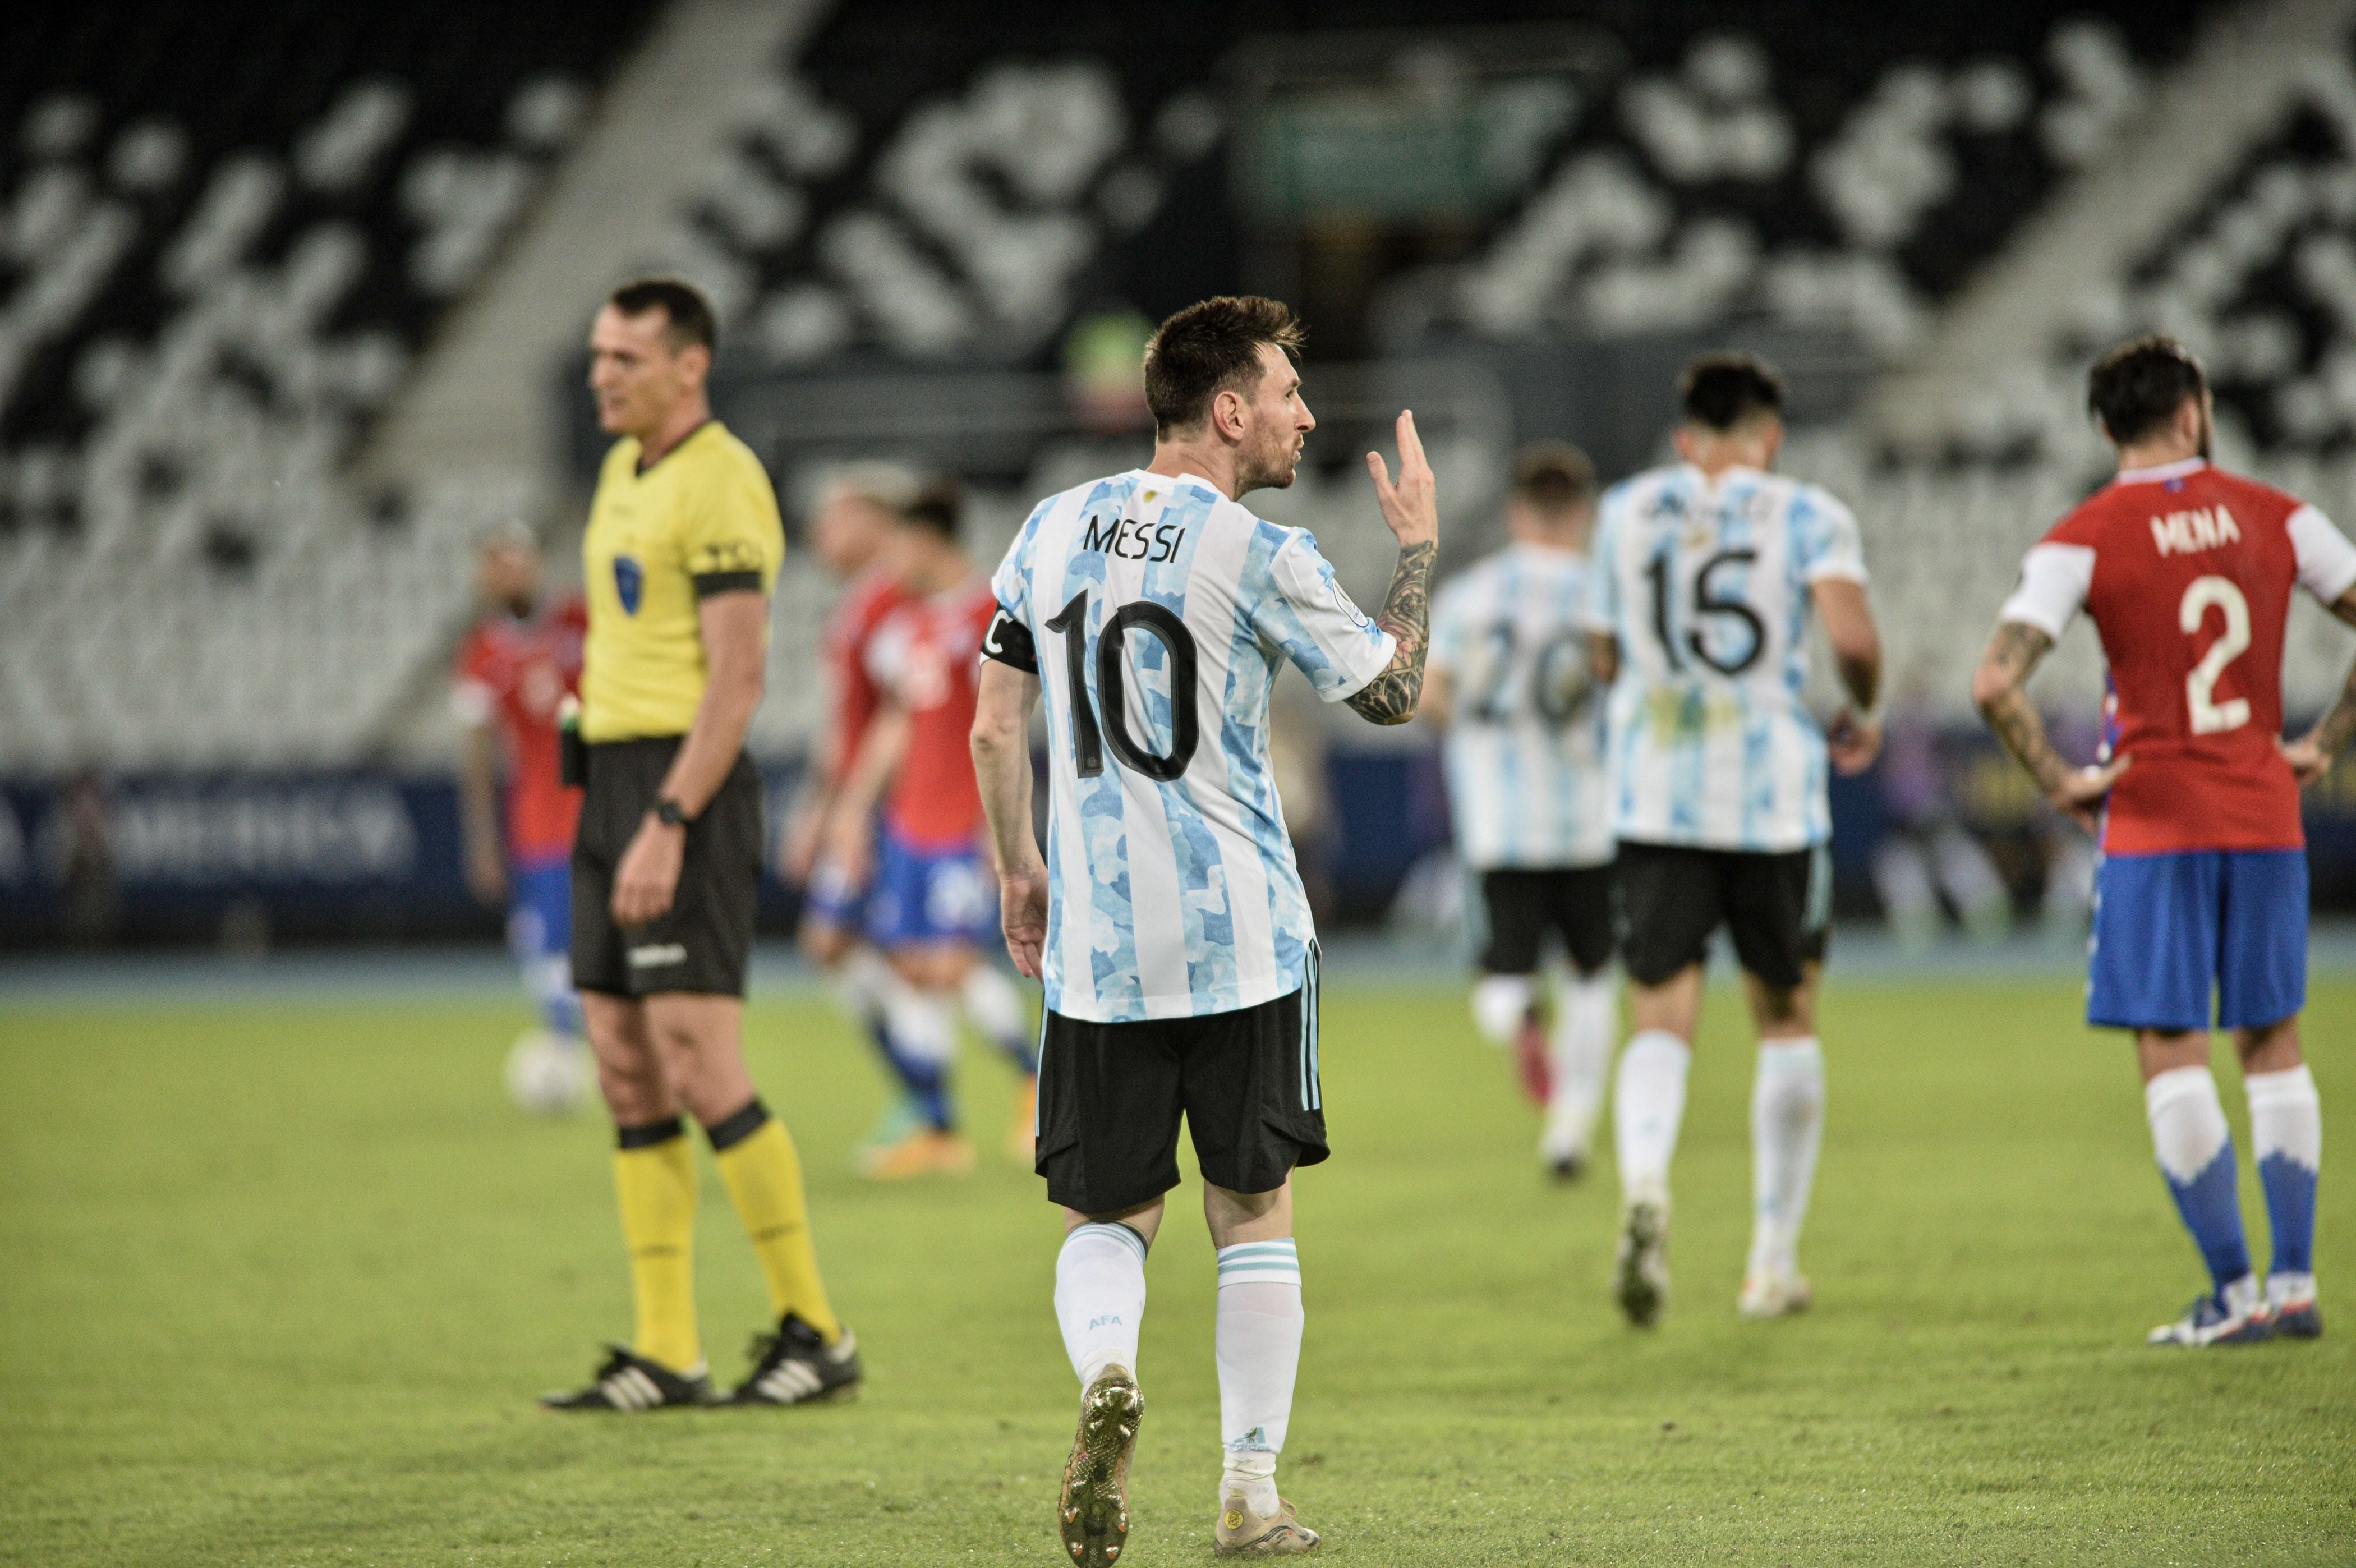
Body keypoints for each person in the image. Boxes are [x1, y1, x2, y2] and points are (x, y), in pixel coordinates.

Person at [971, 295, 1438, 1564]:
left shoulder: (1046, 530)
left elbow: (993, 725)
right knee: (1252, 1209)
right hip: (1240, 940)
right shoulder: (1260, 549)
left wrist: (1020, 868)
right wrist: (1418, 552)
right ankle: (1247, 1494)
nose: (1304, 413)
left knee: (1105, 1218)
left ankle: (1110, 1372)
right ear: (1227, 409)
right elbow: (1393, 694)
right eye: (1287, 390)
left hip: (1100, 953)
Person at [1972, 335, 2341, 1347]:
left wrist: (2059, 782)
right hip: (2264, 811)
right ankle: (2298, 1284)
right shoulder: (2284, 516)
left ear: (2104, 427)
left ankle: (2231, 1295)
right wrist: (2324, 742)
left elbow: (1994, 681)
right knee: (2272, 1039)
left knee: (2169, 1042)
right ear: (2195, 411)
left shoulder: (2081, 537)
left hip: (2153, 820)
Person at [542, 277, 858, 1411]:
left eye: (625, 356)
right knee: (625, 1065)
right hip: (610, 784)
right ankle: (666, 1348)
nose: (602, 374)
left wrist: (669, 821)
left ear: (691, 365)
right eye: (597, 353)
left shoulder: (723, 479)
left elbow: (738, 679)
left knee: (698, 1058)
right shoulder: (623, 471)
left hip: (689, 787)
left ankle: (817, 1328)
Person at [1587, 352, 1883, 1326]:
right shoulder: (1807, 512)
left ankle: (1643, 1186)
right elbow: (1851, 642)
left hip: (1654, 797)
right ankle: (1769, 1264)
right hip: (1772, 802)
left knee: (1661, 1016)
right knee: (1787, 1019)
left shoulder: (1626, 509)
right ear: (1772, 437)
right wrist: (1860, 708)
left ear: (1685, 439)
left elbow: (1602, 652)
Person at [820, 476, 1042, 1178]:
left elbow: (1011, 723)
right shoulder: (906, 627)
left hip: (962, 822)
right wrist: (855, 812)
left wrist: (998, 827)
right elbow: (894, 724)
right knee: (913, 969)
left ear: (928, 540)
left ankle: (1039, 1084)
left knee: (953, 963)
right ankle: (942, 1132)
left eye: (904, 545)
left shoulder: (992, 613)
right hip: (910, 825)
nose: (895, 561)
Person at [1423, 443, 1619, 1179]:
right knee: (1595, 979)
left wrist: (1476, 719)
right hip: (1590, 819)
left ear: (1516, 512)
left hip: (1501, 820)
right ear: (1584, 514)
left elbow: (1430, 697)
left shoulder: (1472, 595)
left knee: (1501, 981)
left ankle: (1521, 1015)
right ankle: (1568, 1136)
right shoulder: (1605, 592)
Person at [776, 463, 929, 1156]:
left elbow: (903, 714)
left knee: (913, 956)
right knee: (871, 951)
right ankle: (931, 1105)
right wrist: (817, 808)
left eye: (835, 516)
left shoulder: (895, 600)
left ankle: (939, 1108)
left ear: (874, 520)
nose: (819, 532)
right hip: (862, 802)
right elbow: (843, 727)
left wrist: (848, 810)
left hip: (895, 804)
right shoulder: (858, 605)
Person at [452, 524, 591, 1112]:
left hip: (600, 808)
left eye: (513, 561)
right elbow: (478, 754)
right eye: (493, 564)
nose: (505, 574)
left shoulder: (583, 623)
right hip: (536, 822)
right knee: (545, 948)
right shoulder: (481, 654)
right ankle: (567, 1049)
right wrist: (482, 841)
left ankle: (601, 1051)